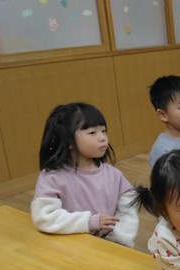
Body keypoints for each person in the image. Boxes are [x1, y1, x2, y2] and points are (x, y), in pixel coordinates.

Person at [31, 103, 138, 247]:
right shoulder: (52, 177)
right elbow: (44, 218)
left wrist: (117, 239)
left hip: (109, 247)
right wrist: (88, 222)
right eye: (92, 133)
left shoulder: (114, 175)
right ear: (68, 141)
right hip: (70, 246)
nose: (102, 138)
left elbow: (128, 214)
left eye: (103, 131)